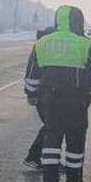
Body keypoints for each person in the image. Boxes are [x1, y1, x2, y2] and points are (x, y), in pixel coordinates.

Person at [23, 5, 91, 182]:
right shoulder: (83, 43)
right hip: (77, 101)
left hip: (50, 101)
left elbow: (32, 75)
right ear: (78, 21)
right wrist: (85, 79)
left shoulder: (43, 43)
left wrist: (31, 94)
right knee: (75, 144)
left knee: (51, 142)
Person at [23, 25, 54, 169]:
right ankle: (34, 157)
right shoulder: (44, 49)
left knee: (51, 125)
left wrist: (31, 94)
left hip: (43, 94)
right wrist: (31, 94)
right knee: (52, 125)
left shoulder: (42, 48)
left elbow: (31, 74)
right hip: (44, 94)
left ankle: (36, 157)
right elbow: (32, 74)